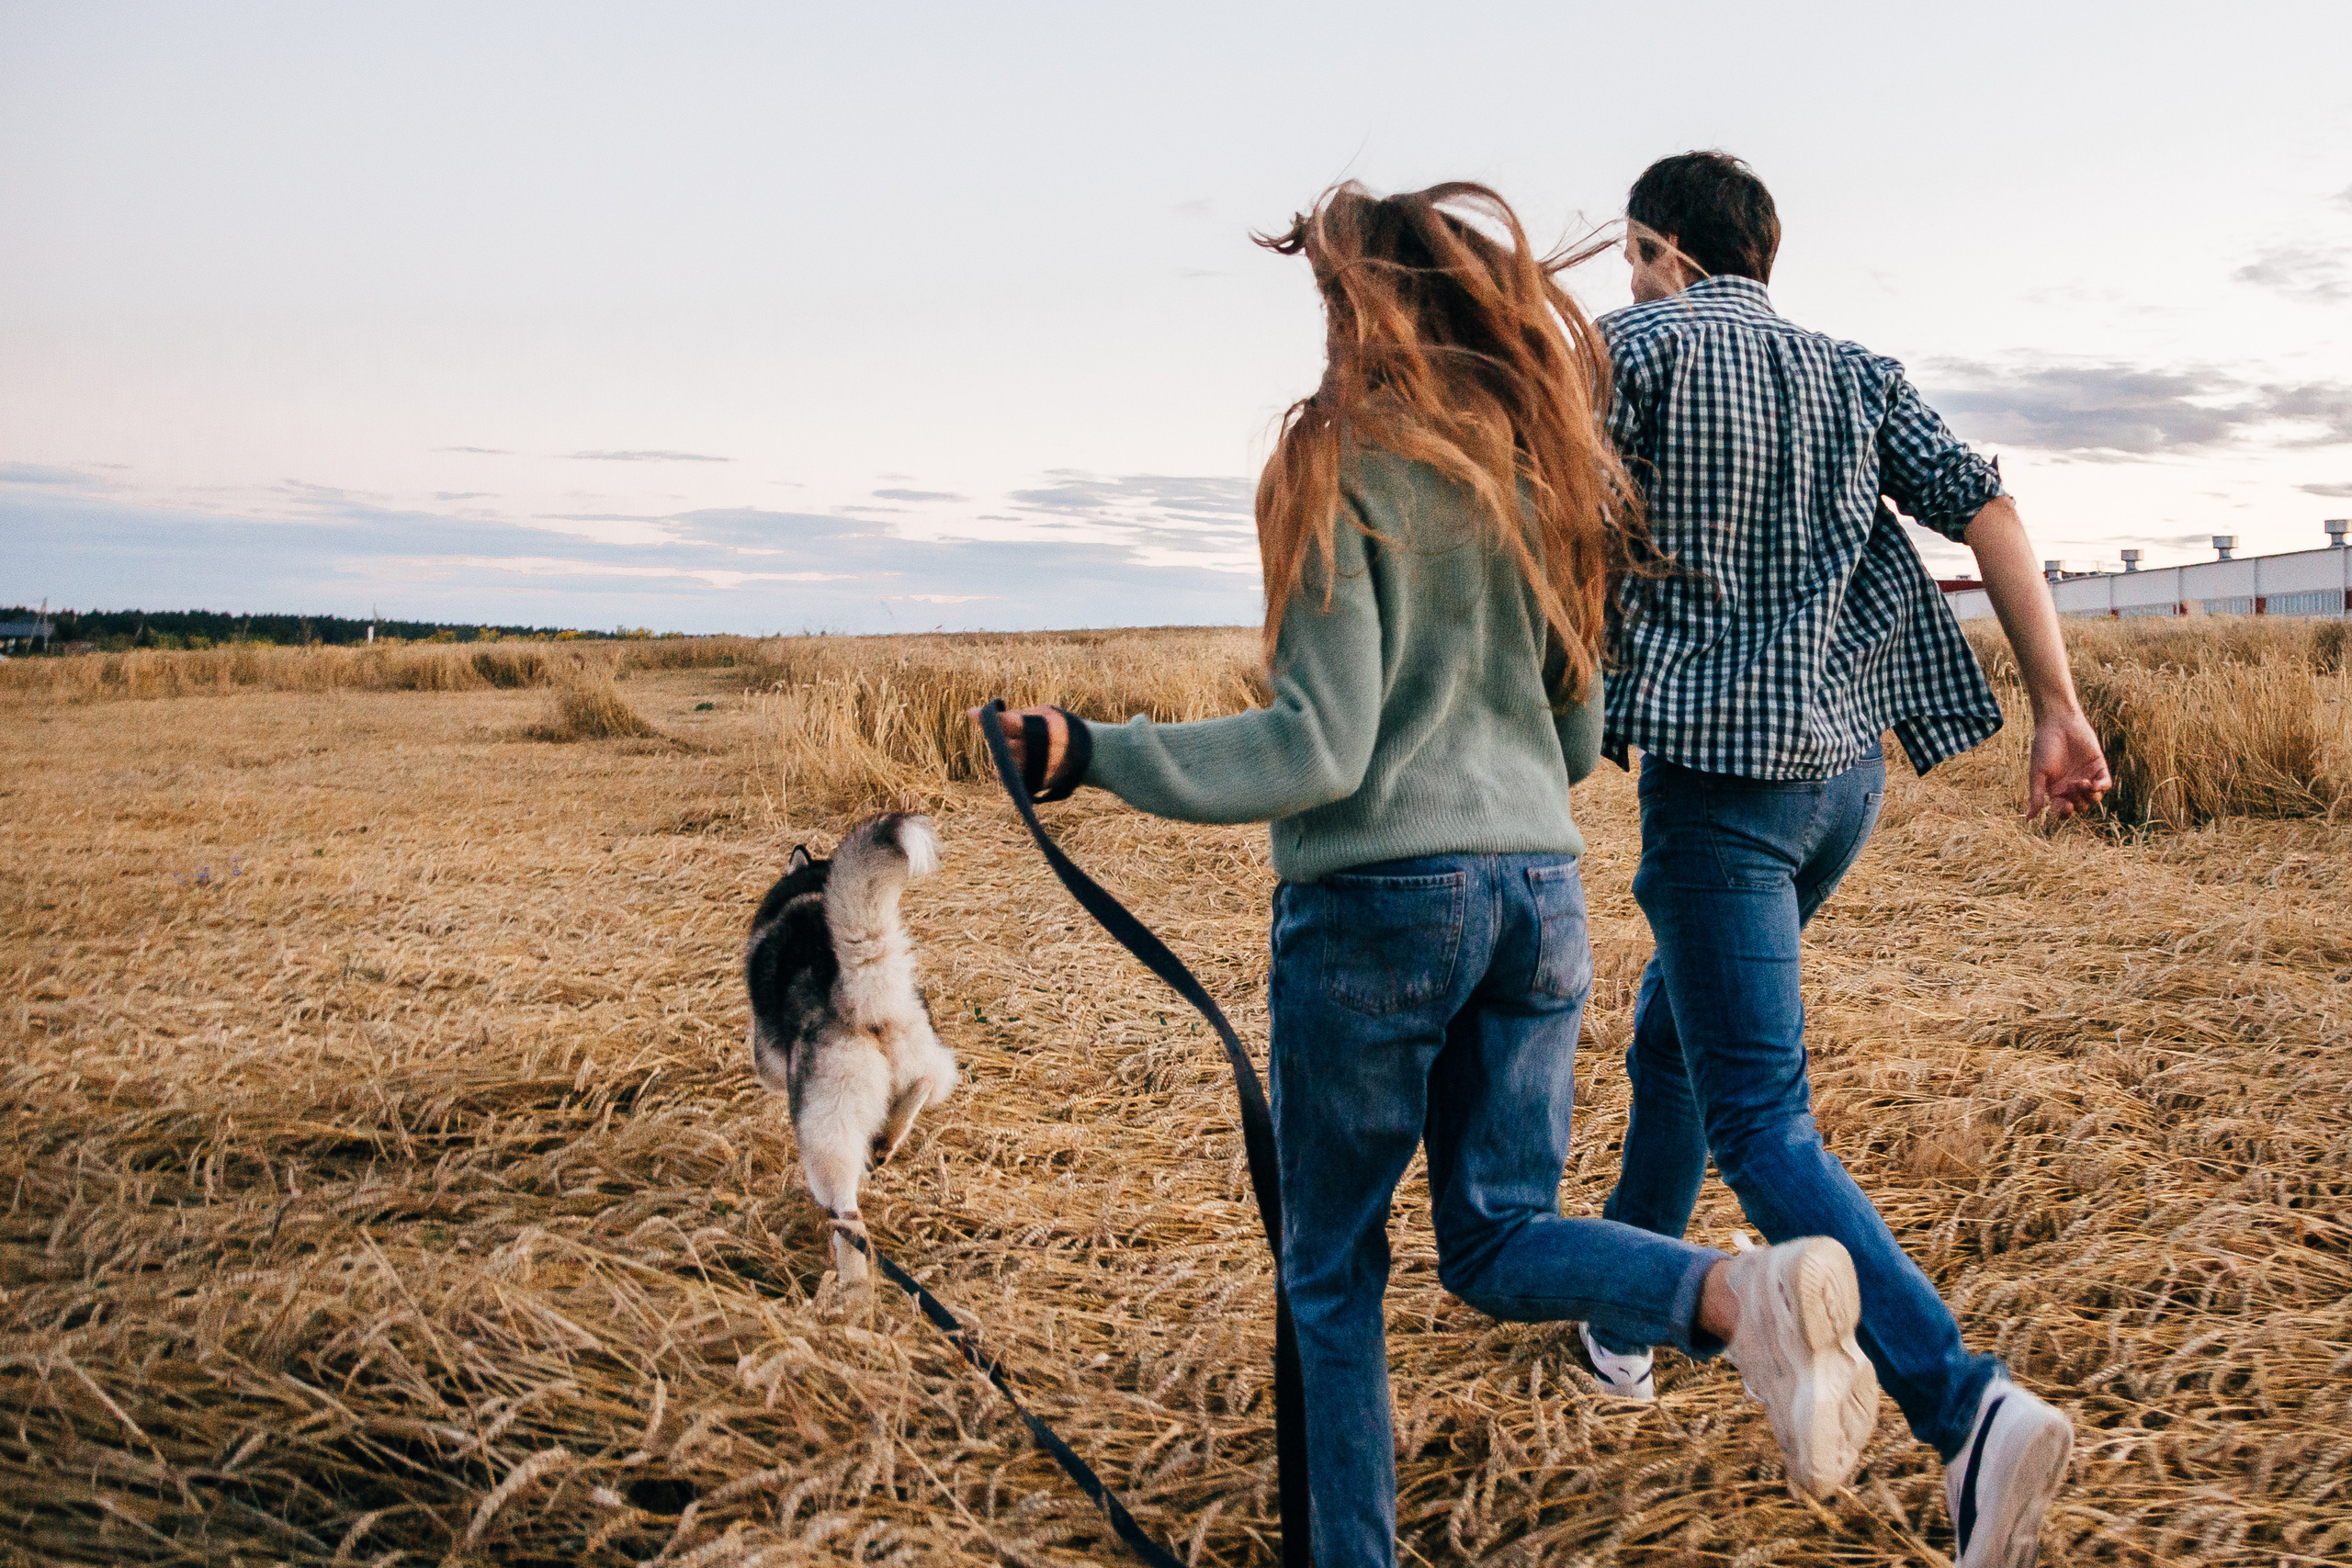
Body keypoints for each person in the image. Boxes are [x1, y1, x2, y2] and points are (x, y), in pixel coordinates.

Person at [980, 182, 1888, 1568]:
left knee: (1333, 1269)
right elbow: (1580, 736)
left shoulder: (1338, 459)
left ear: (1369, 304)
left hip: (1376, 912)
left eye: (1334, 300)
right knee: (1500, 1231)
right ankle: (1733, 1295)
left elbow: (1316, 745)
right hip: (1540, 899)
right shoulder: (1539, 471)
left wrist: (1092, 751)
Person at [1581, 151, 2110, 1568]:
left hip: (1723, 794)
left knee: (1758, 1118)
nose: (1627, 280)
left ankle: (1967, 1408)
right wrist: (2059, 706)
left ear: (1661, 251)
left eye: (1632, 256)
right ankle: (1629, 1322)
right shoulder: (1855, 370)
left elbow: (1538, 513)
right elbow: (1988, 509)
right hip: (1843, 782)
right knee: (1676, 1046)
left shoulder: (1627, 347)